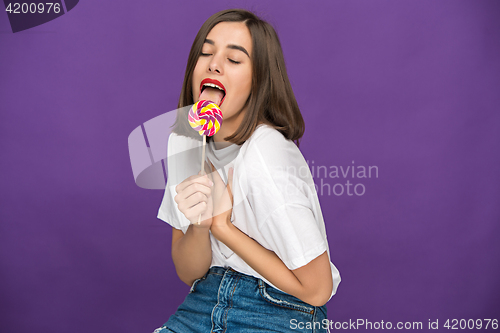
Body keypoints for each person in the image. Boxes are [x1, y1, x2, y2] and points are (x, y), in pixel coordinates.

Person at [154, 9, 340, 333]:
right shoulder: (184, 143)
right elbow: (188, 272)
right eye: (207, 52)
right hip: (203, 301)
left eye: (234, 60)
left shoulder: (266, 153)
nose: (214, 64)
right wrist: (200, 227)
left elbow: (317, 289)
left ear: (259, 81)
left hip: (279, 309)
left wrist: (223, 228)